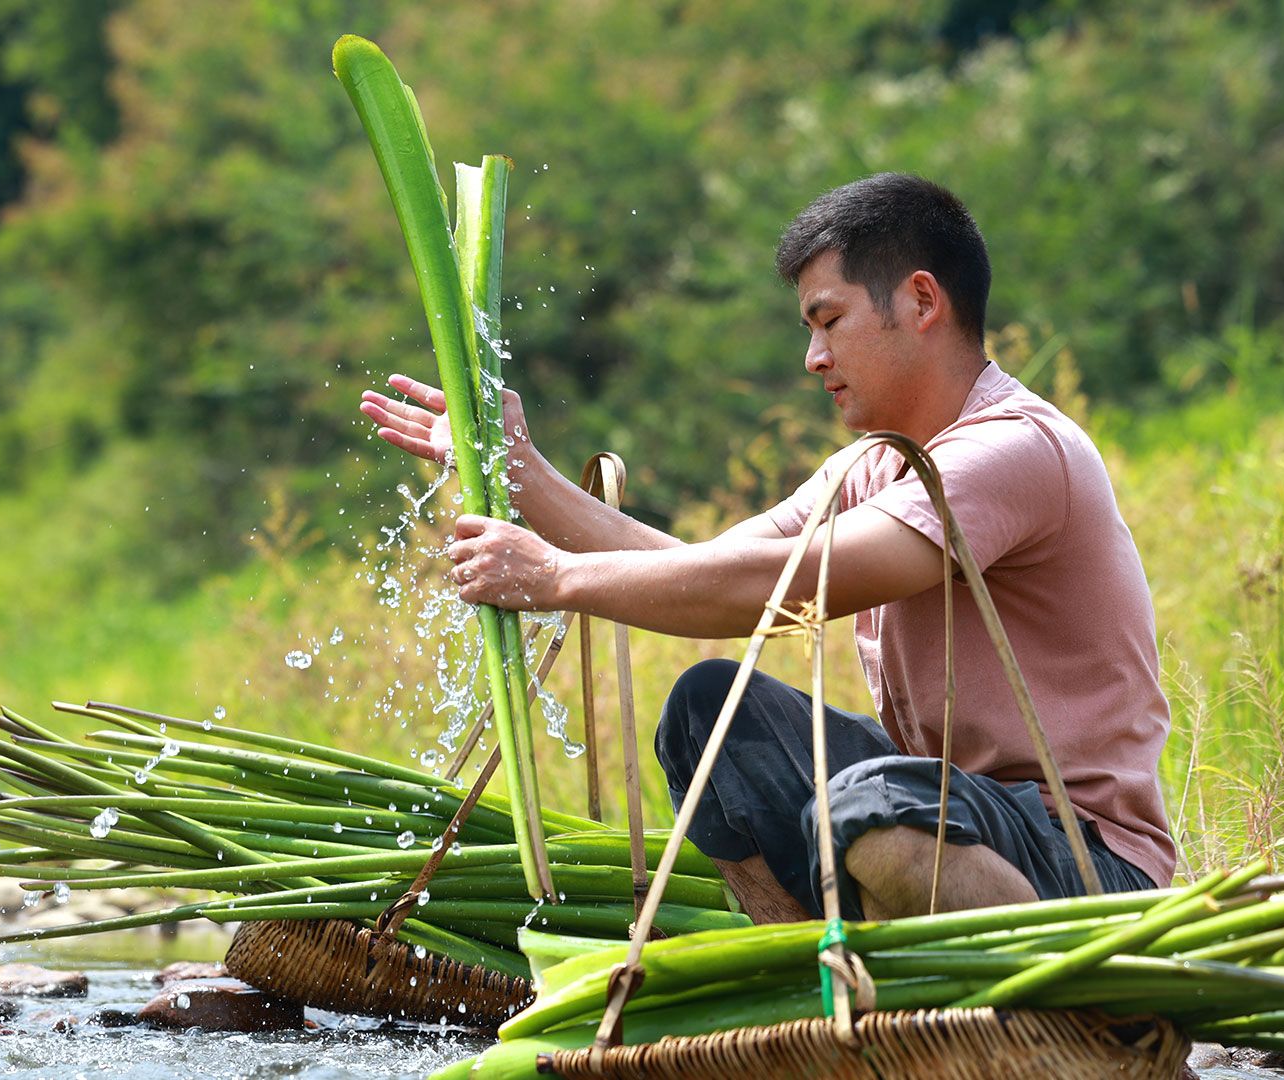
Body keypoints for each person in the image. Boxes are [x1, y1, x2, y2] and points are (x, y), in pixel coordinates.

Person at [358, 173, 1174, 924]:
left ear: (921, 301)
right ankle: (804, 990)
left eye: (830, 322)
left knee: (867, 804)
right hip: (938, 815)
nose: (813, 358)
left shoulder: (1013, 450)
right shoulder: (872, 465)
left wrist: (559, 577)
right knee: (712, 710)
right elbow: (698, 569)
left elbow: (791, 584)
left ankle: (1048, 999)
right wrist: (520, 469)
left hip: (1086, 867)